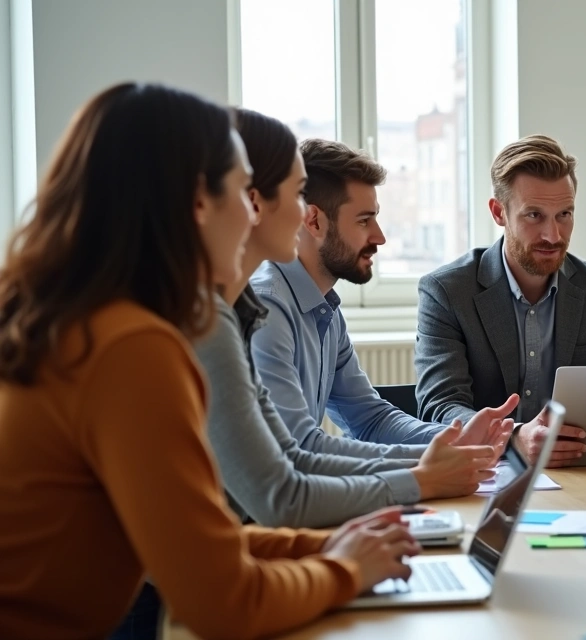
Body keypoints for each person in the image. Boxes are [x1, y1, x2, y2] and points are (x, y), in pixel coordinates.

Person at [0, 83, 417, 639]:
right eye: (244, 190)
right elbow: (225, 601)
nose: (254, 214)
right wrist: (344, 569)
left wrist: (331, 547)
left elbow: (200, 538)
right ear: (200, 201)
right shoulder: (135, 347)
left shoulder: (85, 319)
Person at [201, 108, 499, 530]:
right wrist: (424, 476)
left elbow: (346, 431)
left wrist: (450, 447)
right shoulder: (248, 312)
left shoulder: (282, 306)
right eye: (295, 193)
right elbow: (284, 487)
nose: (379, 236)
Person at [413, 135, 586, 466]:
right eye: (534, 215)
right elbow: (441, 407)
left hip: (582, 474)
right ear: (499, 212)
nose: (553, 236)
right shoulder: (447, 292)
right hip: (490, 473)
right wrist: (514, 438)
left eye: (564, 214)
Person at [250, 138, 517, 452]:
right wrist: (431, 462)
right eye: (364, 220)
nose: (380, 237)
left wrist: (457, 439)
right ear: (314, 221)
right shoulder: (267, 309)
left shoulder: (326, 309)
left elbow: (370, 419)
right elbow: (300, 447)